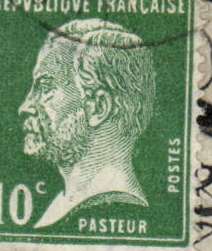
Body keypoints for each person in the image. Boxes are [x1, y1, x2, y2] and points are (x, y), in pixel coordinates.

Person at [17, 17, 158, 229]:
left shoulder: (115, 208)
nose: (25, 107)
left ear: (98, 107)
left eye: (46, 89)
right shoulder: (63, 205)